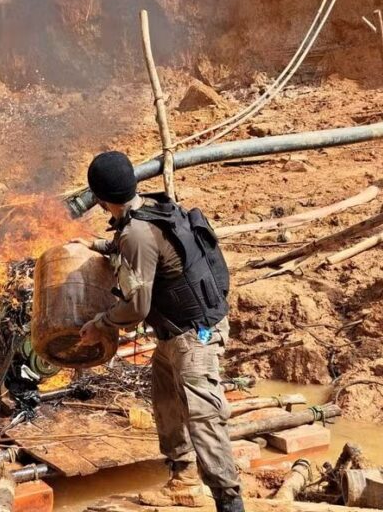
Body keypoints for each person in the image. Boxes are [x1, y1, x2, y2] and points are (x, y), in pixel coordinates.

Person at [72, 151, 244, 512]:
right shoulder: (149, 207)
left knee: (202, 415)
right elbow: (140, 249)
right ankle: (182, 478)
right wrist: (96, 246)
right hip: (174, 333)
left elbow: (136, 308)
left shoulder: (136, 231)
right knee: (165, 400)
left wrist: (100, 323)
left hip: (197, 335)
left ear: (100, 199)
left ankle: (229, 502)